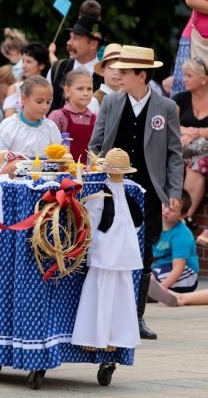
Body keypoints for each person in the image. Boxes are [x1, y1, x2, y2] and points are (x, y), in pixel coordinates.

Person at [89, 45, 185, 340]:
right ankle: (101, 314)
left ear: (142, 75)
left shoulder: (166, 107)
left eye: (125, 71)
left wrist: (174, 191)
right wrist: (100, 169)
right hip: (114, 188)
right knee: (105, 248)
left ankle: (137, 315)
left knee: (144, 254)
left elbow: (174, 153)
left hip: (149, 191)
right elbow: (95, 144)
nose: (118, 75)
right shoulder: (111, 102)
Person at [72, 148, 143, 351]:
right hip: (106, 249)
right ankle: (94, 338)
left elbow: (134, 222)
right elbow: (92, 222)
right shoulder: (101, 195)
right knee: (100, 291)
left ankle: (115, 337)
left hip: (123, 251)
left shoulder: (128, 196)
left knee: (120, 294)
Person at [173, 58, 208, 229]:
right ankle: (183, 217)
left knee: (198, 162)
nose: (184, 79)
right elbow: (169, 123)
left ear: (203, 78)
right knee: (193, 161)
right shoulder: (181, 98)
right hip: (182, 148)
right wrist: (186, 132)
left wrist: (198, 133)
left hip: (201, 151)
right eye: (184, 75)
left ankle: (183, 216)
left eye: (189, 75)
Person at [47, 15, 106, 113]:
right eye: (70, 37)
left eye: (76, 38)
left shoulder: (105, 76)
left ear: (93, 45)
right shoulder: (57, 68)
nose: (69, 42)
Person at [0, 75, 62, 157]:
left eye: (48, 102)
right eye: (39, 102)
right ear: (23, 99)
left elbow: (59, 158)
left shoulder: (51, 128)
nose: (45, 107)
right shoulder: (9, 127)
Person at [152, 190, 199, 293]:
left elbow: (178, 268)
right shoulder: (155, 227)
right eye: (165, 204)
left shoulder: (181, 235)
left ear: (182, 215)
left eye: (172, 209)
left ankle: (153, 292)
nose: (166, 211)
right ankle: (148, 292)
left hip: (186, 274)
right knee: (143, 275)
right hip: (162, 269)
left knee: (150, 280)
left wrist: (162, 288)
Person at [48, 68, 96, 163]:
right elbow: (49, 147)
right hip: (63, 171)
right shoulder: (58, 116)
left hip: (89, 174)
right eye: (80, 89)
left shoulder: (95, 118)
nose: (86, 93)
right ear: (67, 90)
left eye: (89, 89)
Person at [3, 43, 50, 118]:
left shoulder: (50, 88)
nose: (24, 66)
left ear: (41, 65)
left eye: (29, 62)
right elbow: (9, 118)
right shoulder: (15, 88)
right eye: (23, 61)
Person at [88, 43, 122, 114]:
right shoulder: (95, 101)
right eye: (111, 68)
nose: (116, 72)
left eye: (121, 69)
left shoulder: (127, 97)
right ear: (102, 71)